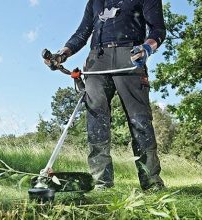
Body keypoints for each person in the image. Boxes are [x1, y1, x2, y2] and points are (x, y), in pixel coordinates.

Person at [44, 0, 166, 191]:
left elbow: (158, 30)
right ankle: (101, 184)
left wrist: (147, 48)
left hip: (131, 55)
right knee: (96, 122)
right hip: (97, 60)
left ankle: (151, 183)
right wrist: (61, 55)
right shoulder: (94, 2)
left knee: (140, 121)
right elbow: (81, 34)